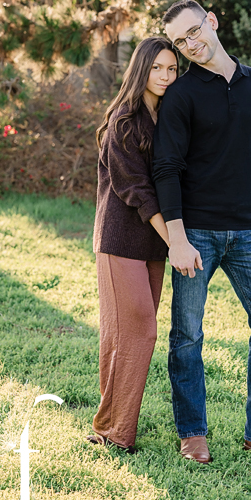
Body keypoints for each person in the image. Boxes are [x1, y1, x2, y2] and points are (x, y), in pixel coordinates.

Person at [153, 0, 251, 464]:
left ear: (212, 21)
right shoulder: (180, 94)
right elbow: (166, 168)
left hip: (246, 232)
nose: (190, 44)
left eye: (193, 32)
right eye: (180, 41)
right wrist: (177, 239)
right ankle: (192, 433)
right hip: (195, 232)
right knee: (187, 334)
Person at [90, 37, 177, 452]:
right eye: (157, 67)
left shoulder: (169, 120)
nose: (164, 76)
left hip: (154, 245)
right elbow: (136, 190)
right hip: (120, 241)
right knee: (138, 329)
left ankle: (109, 426)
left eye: (171, 68)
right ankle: (116, 433)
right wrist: (175, 241)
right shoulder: (124, 121)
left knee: (123, 334)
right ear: (141, 69)